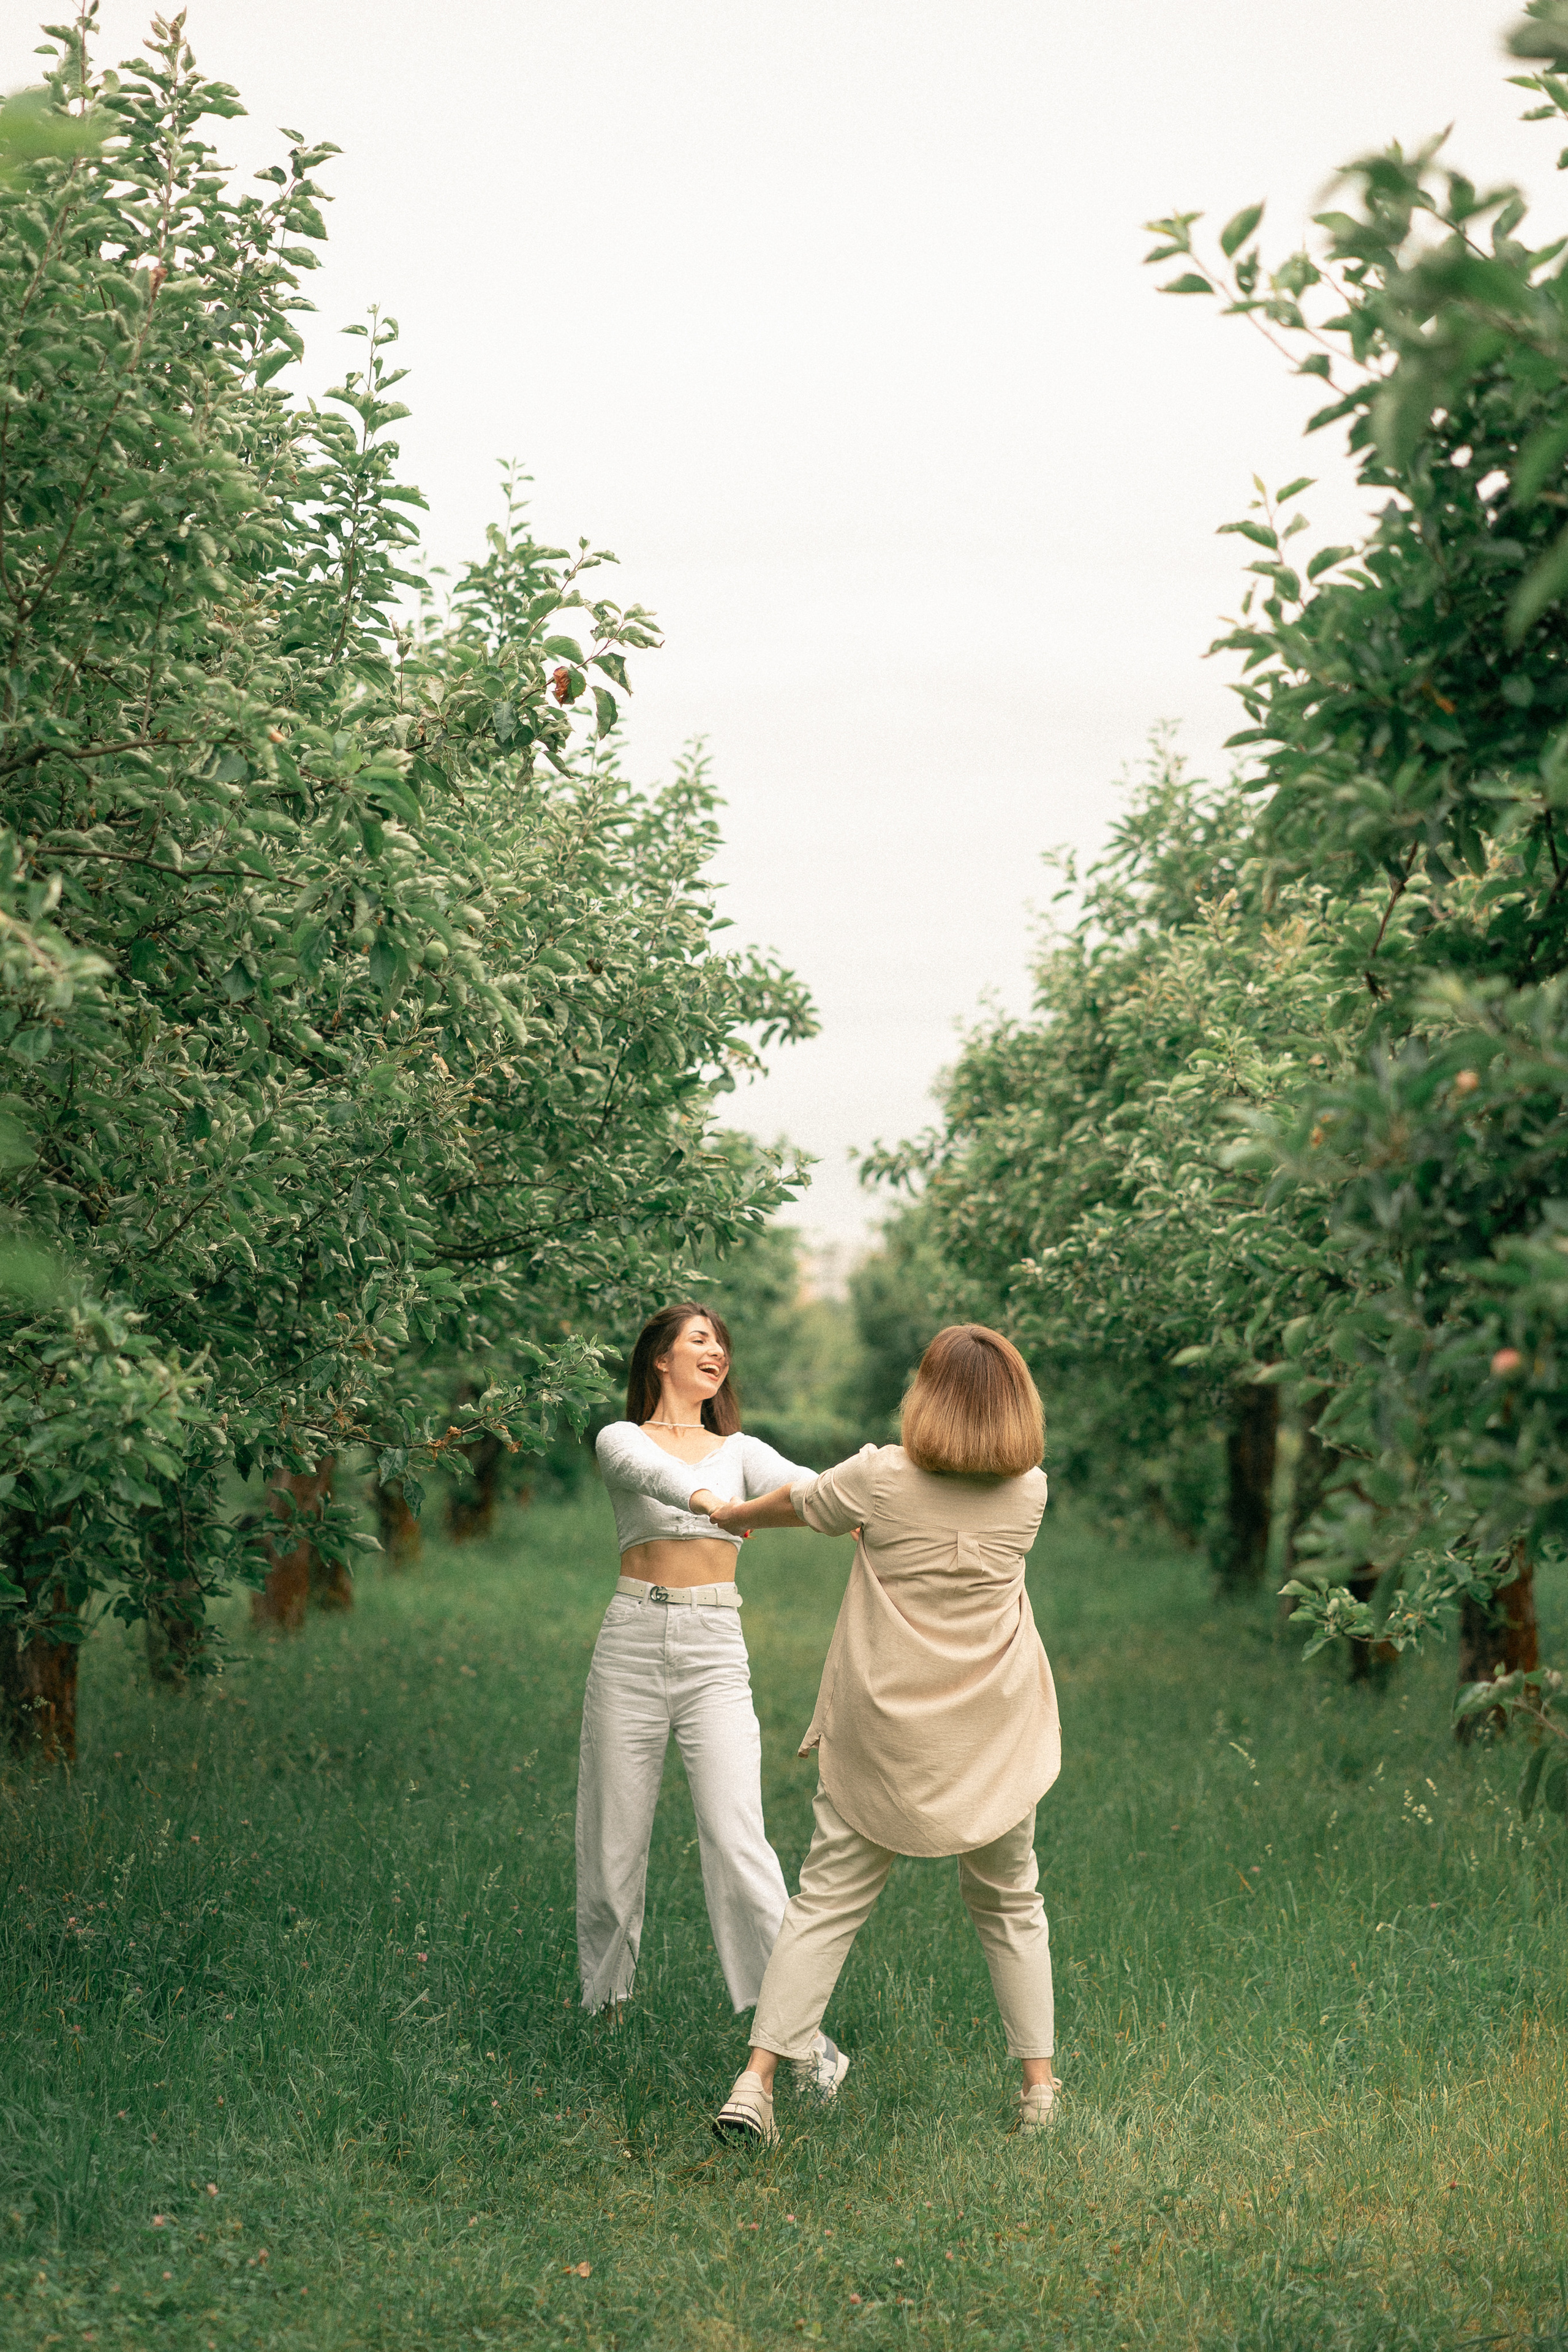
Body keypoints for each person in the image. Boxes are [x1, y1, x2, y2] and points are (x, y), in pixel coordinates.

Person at [706, 1323, 1061, 2144]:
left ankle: (756, 2084)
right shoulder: (1030, 1491)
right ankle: (1039, 2090)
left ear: (927, 1395)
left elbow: (800, 1505)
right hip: (993, 1734)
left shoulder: (880, 1478)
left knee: (825, 1903)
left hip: (887, 1734)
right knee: (1012, 1903)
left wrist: (731, 1512)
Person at [577, 1300, 851, 2096]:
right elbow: (653, 1477)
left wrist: (863, 1501)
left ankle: (805, 2045)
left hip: (713, 1653)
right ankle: (604, 2018)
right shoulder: (620, 1439)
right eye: (700, 1339)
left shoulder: (740, 1452)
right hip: (631, 1641)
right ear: (660, 1358)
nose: (716, 1351)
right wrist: (714, 1507)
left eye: (723, 1343)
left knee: (739, 1844)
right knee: (612, 1843)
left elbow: (808, 1491)